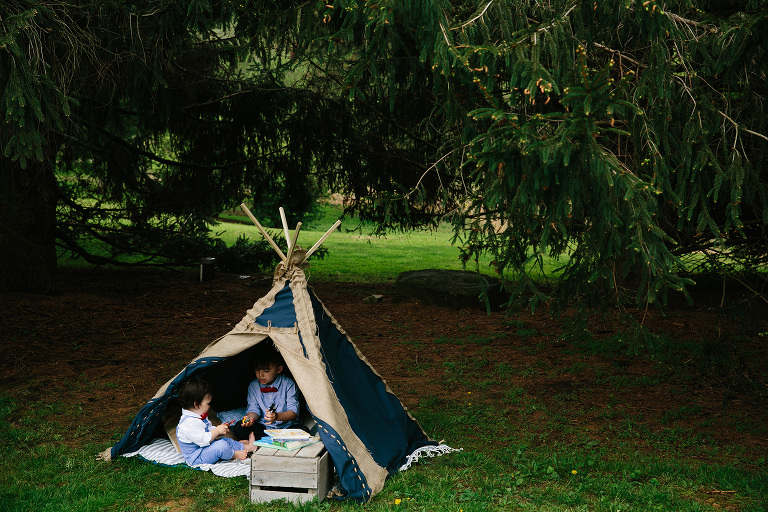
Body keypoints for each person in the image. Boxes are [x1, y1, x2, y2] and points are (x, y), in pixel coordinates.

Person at [175, 378, 256, 465]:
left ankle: (247, 447)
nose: (209, 406)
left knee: (225, 440)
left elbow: (208, 430)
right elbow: (204, 440)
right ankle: (234, 455)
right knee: (221, 446)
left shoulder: (198, 415)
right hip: (197, 456)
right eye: (208, 403)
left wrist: (219, 431)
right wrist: (217, 431)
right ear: (196, 404)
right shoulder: (189, 423)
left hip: (206, 448)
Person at [230, 344, 300, 440]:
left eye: (266, 371)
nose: (260, 375)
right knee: (239, 428)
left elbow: (293, 412)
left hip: (286, 427)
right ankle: (272, 438)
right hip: (264, 427)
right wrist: (249, 419)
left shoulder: (288, 384)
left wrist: (277, 416)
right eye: (257, 370)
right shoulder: (253, 386)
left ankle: (267, 439)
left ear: (279, 369)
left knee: (303, 430)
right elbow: (254, 409)